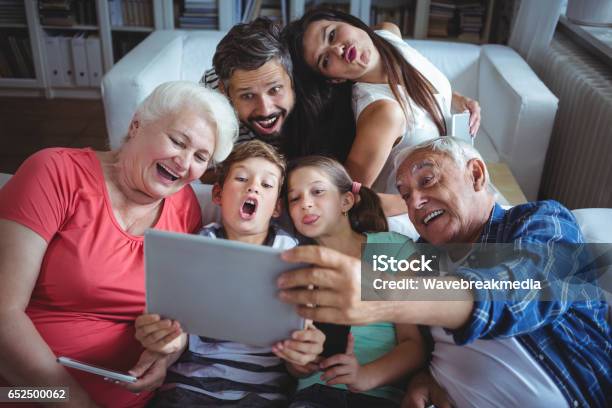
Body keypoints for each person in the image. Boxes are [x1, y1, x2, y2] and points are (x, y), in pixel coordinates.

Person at [276, 138, 611, 407]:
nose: (415, 202)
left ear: (476, 174)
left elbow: (529, 284)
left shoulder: (537, 221)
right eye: (406, 194)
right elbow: (411, 343)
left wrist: (389, 297)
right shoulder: (423, 256)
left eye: (428, 180)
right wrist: (425, 378)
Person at [0, 81, 238, 407]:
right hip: (25, 390)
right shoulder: (53, 173)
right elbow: (3, 313)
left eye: (200, 156)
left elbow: (178, 315)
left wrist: (165, 356)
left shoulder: (184, 209)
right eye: (177, 141)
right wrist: (75, 401)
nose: (184, 163)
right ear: (137, 124)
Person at [134, 141, 326, 407]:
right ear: (217, 195)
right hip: (189, 385)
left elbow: (299, 345)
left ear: (277, 208)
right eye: (241, 178)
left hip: (261, 393)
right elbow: (178, 328)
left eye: (267, 185)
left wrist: (302, 357)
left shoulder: (295, 257)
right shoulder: (195, 247)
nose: (253, 186)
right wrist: (161, 339)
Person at [283, 8, 481, 217]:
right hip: (413, 219)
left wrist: (458, 99)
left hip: (457, 186)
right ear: (335, 79)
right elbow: (348, 198)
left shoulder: (388, 34)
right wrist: (431, 198)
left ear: (351, 23)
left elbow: (422, 83)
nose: (337, 50)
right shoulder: (384, 112)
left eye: (332, 34)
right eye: (325, 60)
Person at [285, 156, 426, 407]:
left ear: (346, 200)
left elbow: (413, 345)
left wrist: (363, 375)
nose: (305, 203)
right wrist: (298, 363)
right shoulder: (293, 263)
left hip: (376, 396)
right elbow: (295, 363)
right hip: (312, 394)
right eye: (294, 198)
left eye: (317, 191)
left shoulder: (393, 248)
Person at [202, 18, 295, 149]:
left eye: (275, 89)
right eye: (248, 96)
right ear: (224, 91)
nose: (265, 110)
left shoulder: (313, 88)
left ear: (292, 78)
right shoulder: (210, 94)